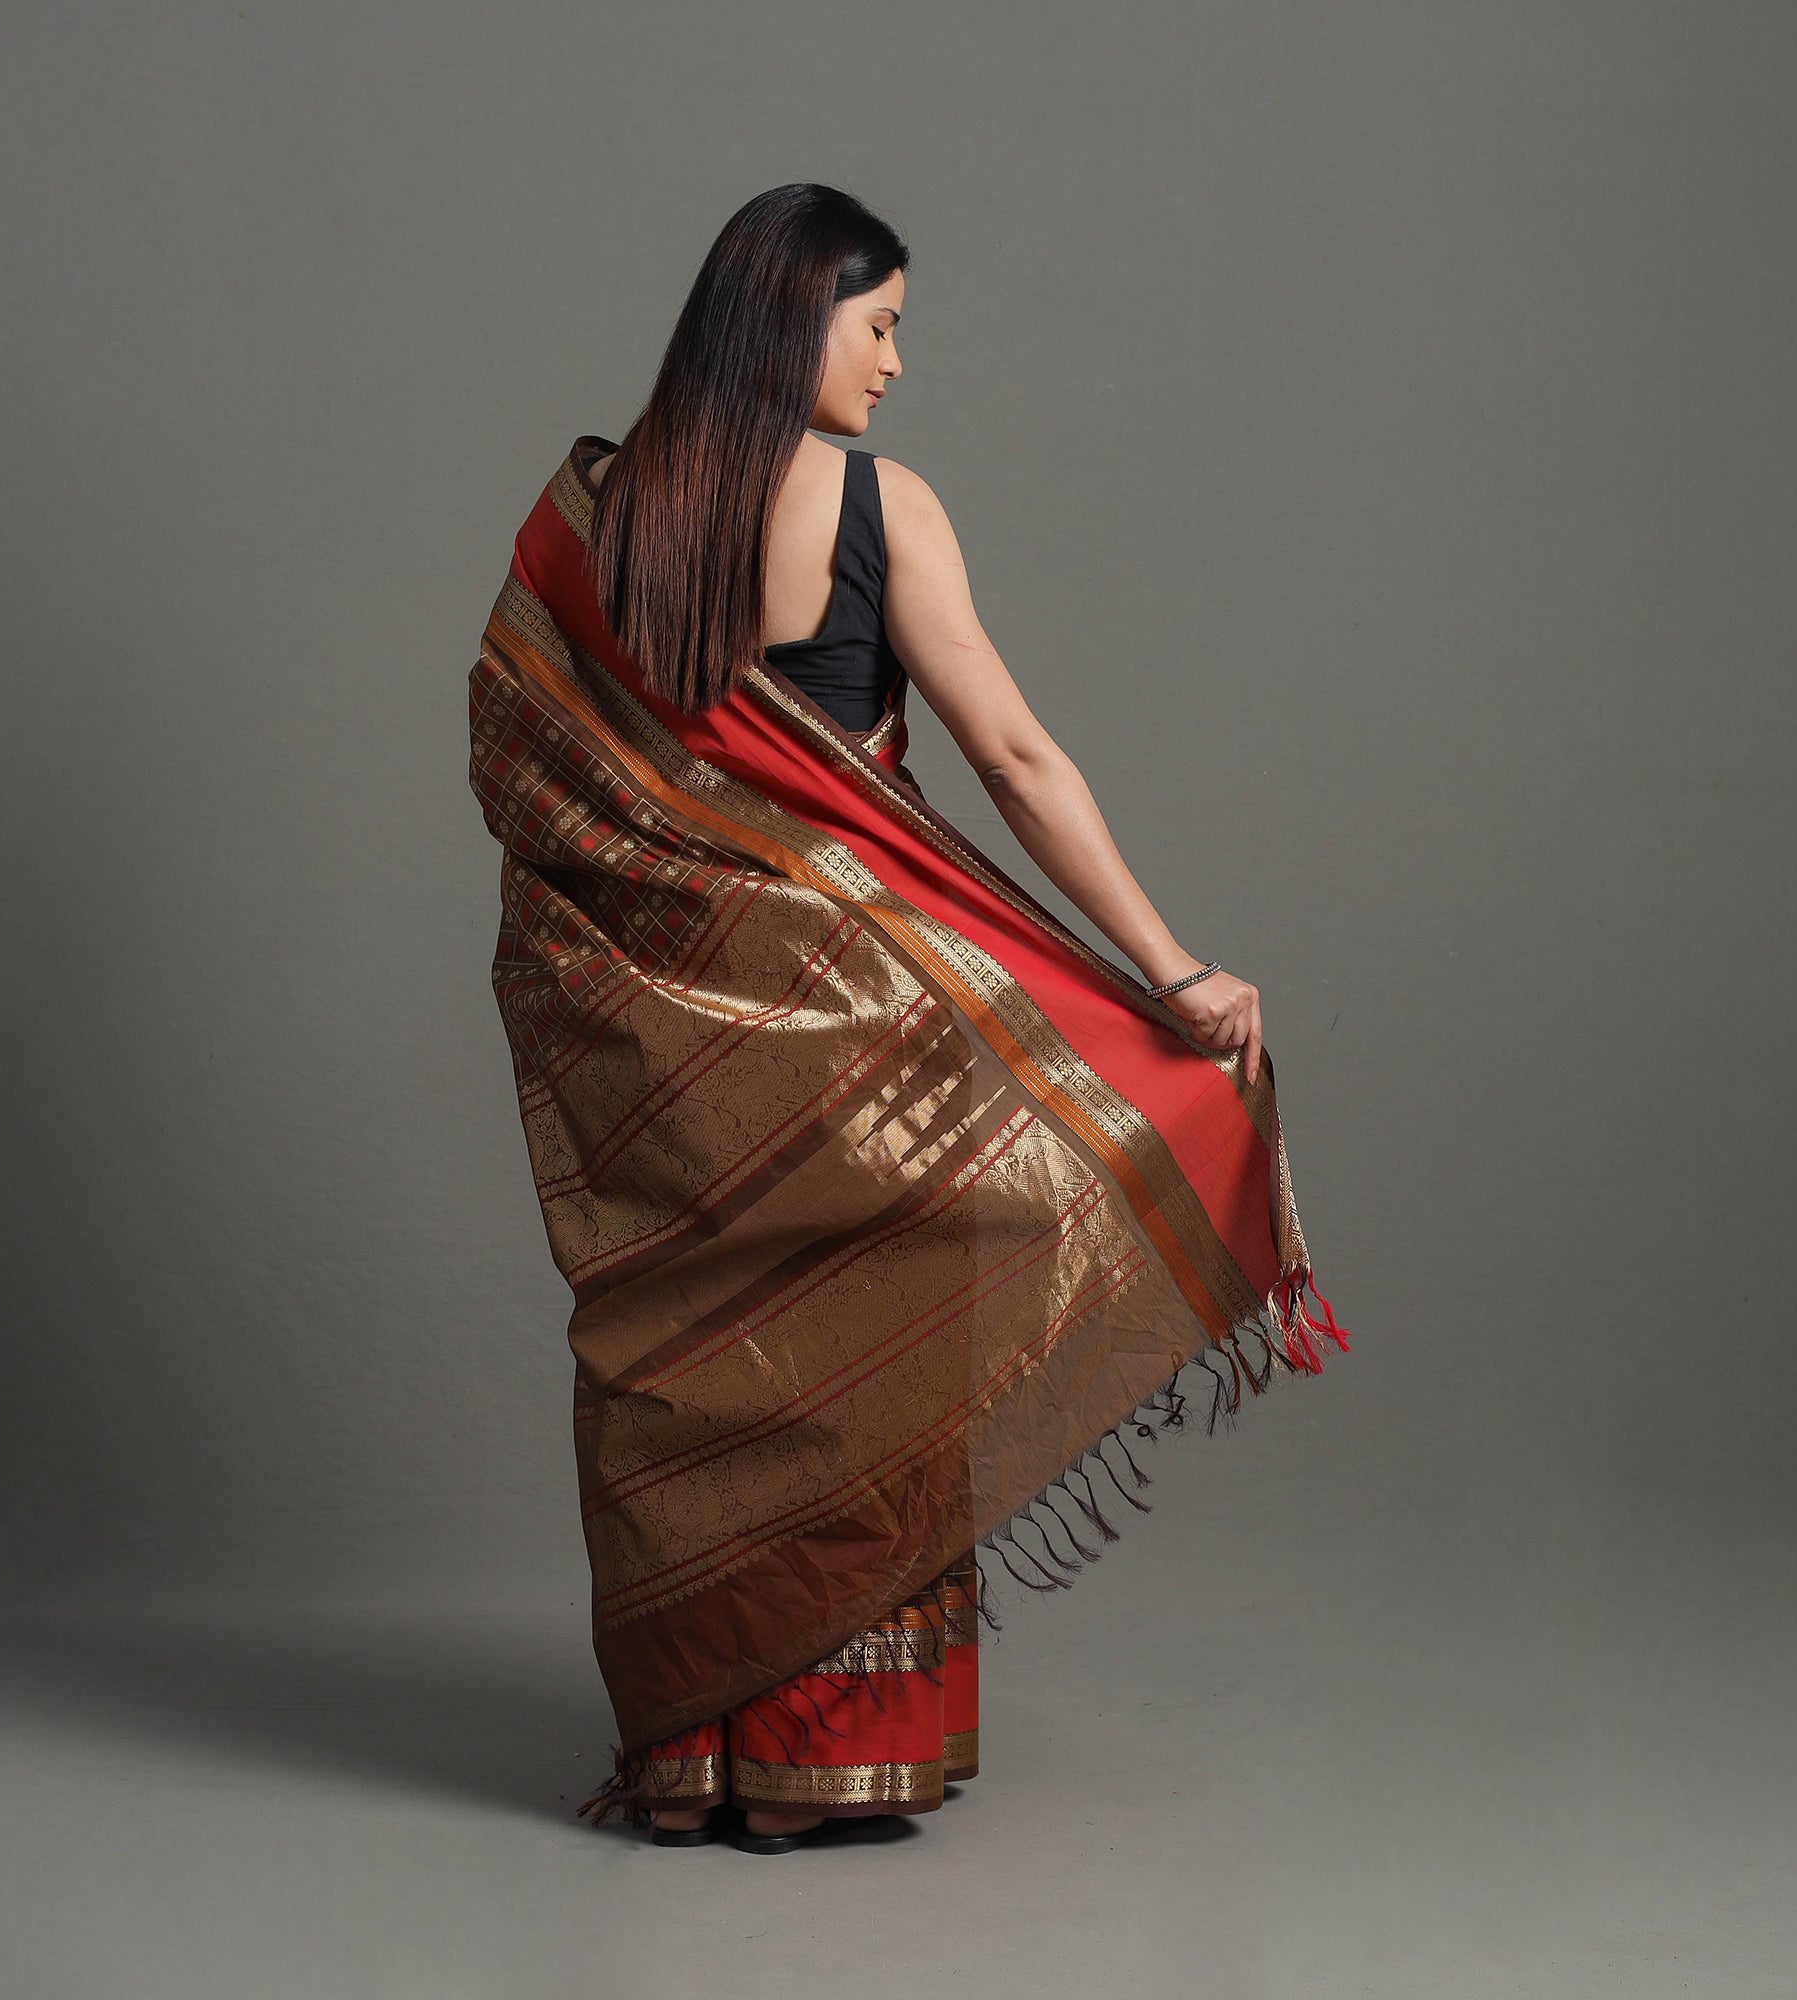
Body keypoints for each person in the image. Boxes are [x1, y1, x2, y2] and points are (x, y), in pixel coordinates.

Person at [467, 183, 1347, 1856]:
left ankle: (694, 1761)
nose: (894, 362)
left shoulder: (601, 514)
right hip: (878, 1043)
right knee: (868, 1363)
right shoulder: (882, 506)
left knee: (700, 1363)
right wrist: (1169, 971)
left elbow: (534, 777)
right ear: (796, 319)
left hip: (682, 1065)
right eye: (878, 327)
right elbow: (1011, 757)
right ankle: (832, 1763)